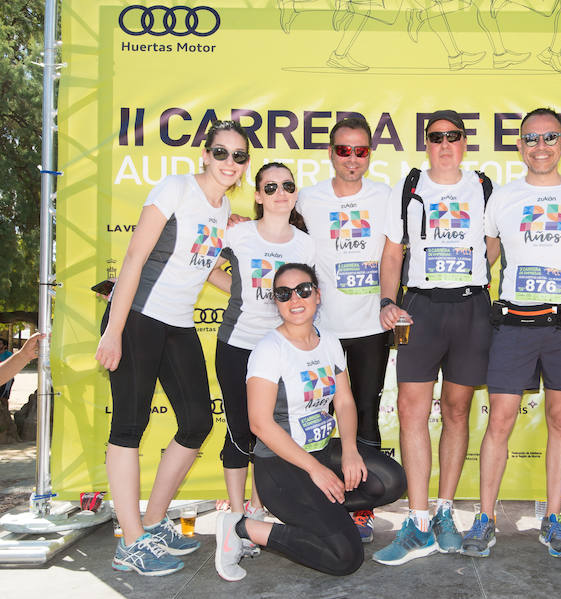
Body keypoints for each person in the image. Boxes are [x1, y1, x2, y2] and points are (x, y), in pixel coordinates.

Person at [95, 120, 249, 576]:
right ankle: (130, 542)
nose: (230, 163)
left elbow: (202, 271)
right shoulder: (175, 188)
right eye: (222, 153)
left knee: (197, 422)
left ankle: (153, 521)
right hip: (139, 318)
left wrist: (256, 290)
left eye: (239, 156)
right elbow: (134, 259)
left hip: (178, 324)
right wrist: (114, 329)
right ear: (205, 154)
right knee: (129, 425)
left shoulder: (223, 212)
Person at [461, 107, 561, 559]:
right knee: (498, 423)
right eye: (531, 138)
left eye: (549, 138)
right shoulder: (501, 197)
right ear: (519, 145)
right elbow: (485, 260)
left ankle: (554, 519)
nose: (540, 146)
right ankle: (484, 519)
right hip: (514, 325)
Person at [214, 263, 406, 581]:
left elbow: (343, 401)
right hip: (280, 467)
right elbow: (260, 424)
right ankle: (242, 527)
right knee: (346, 557)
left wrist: (349, 451)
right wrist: (315, 470)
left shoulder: (328, 341)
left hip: (321, 452)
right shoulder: (268, 350)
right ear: (275, 301)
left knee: (390, 480)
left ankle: (321, 513)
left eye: (303, 290)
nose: (295, 299)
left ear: (317, 294)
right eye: (284, 294)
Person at [374, 109, 496, 565]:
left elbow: (494, 243)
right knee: (411, 409)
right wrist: (389, 300)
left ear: (465, 142)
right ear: (427, 143)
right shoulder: (408, 187)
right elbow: (392, 252)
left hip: (470, 307)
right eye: (436, 137)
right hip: (419, 308)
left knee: (458, 408)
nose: (445, 143)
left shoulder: (483, 187)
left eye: (454, 136)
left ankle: (445, 510)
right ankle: (418, 520)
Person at [297, 116, 391, 543]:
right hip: (324, 330)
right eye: (343, 150)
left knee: (366, 414)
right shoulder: (308, 199)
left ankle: (362, 509)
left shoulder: (386, 197)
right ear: (330, 152)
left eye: (361, 150)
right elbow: (274, 221)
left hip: (371, 327)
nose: (352, 158)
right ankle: (324, 500)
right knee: (321, 419)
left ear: (370, 153)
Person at [212, 162, 316, 525]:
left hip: (282, 352)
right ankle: (237, 519)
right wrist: (238, 293)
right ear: (257, 195)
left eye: (287, 186)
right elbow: (202, 266)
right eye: (269, 187)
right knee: (239, 430)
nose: (279, 193)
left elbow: (307, 300)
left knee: (272, 434)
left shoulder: (306, 245)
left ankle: (257, 511)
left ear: (295, 193)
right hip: (237, 346)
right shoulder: (237, 235)